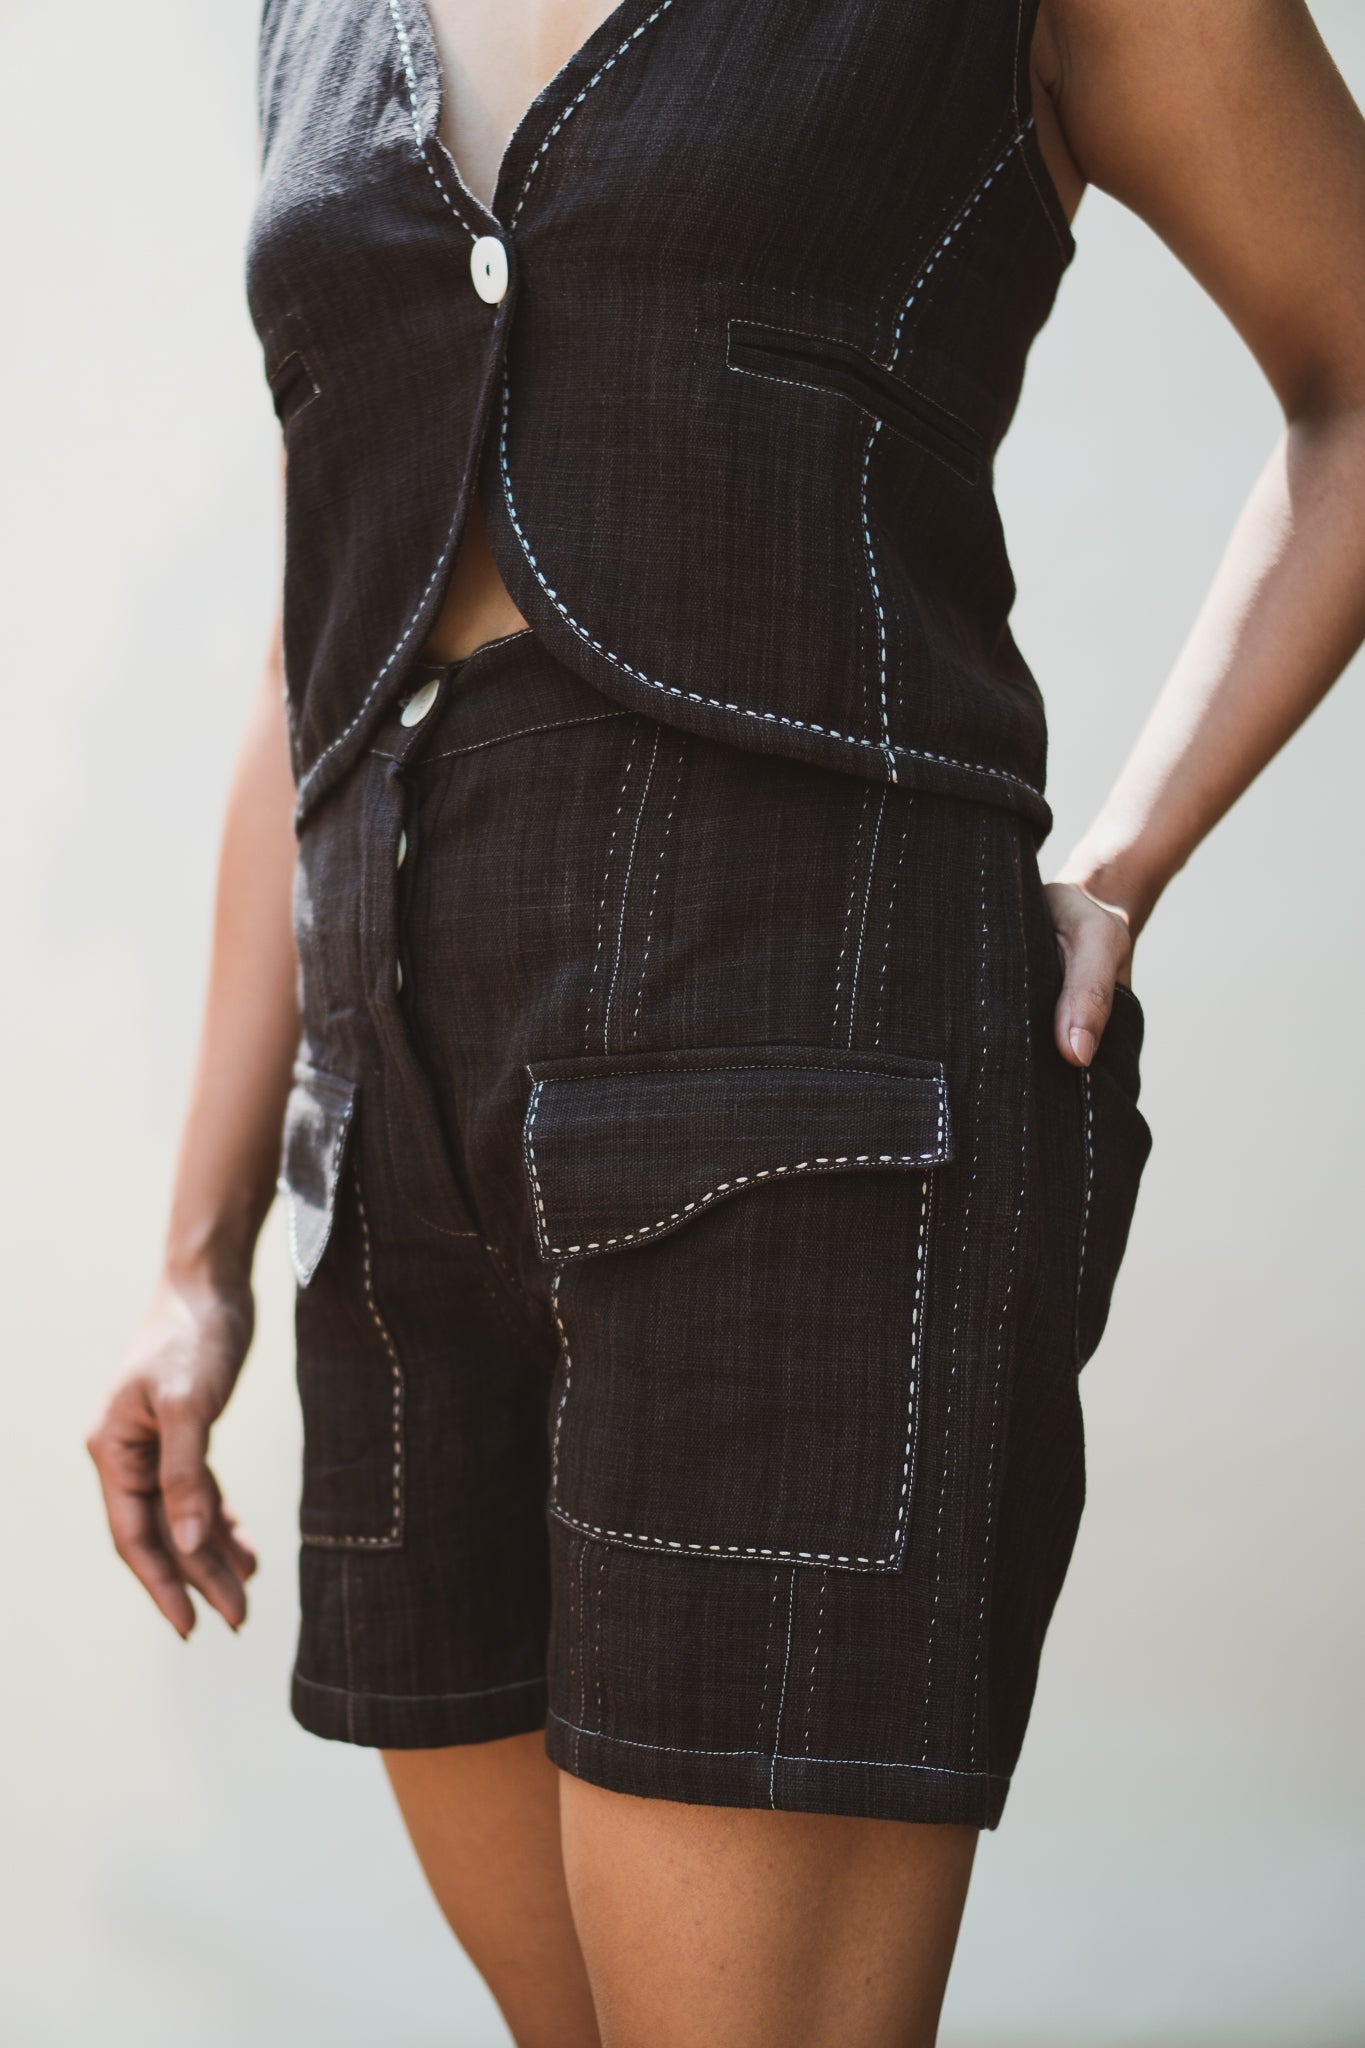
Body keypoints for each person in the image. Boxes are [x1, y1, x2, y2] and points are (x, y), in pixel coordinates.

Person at [87, 2, 1365, 2043]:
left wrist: (1122, 859)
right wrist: (195, 1259)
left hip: (805, 1033)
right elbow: (312, 631)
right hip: (394, 1121)